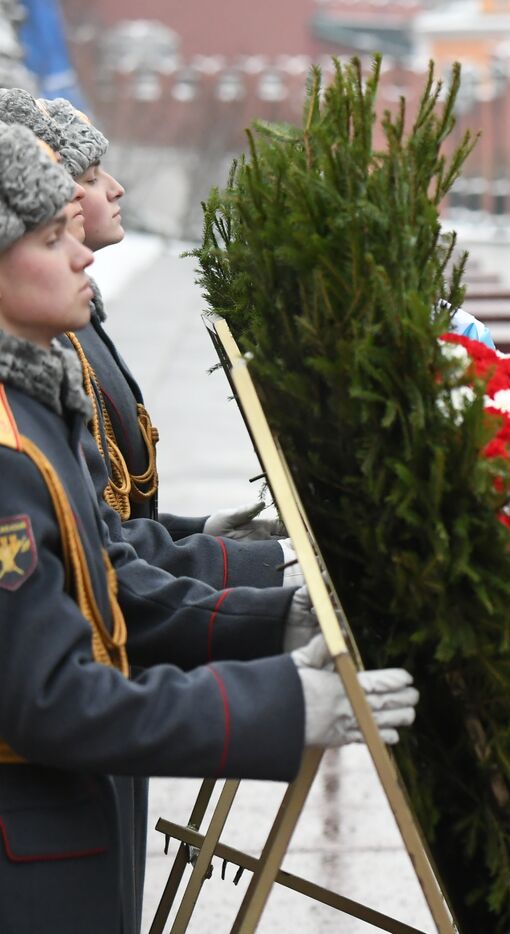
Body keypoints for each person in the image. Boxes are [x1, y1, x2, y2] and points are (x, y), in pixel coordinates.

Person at [0, 123, 419, 931]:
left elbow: (105, 577)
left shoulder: (31, 405)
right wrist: (279, 706)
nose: (83, 252)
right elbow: (49, 699)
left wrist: (270, 609)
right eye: (51, 238)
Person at [0, 87, 294, 591]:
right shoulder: (42, 344)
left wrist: (200, 534)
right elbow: (95, 575)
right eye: (87, 180)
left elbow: (102, 528)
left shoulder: (64, 320)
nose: (113, 190)